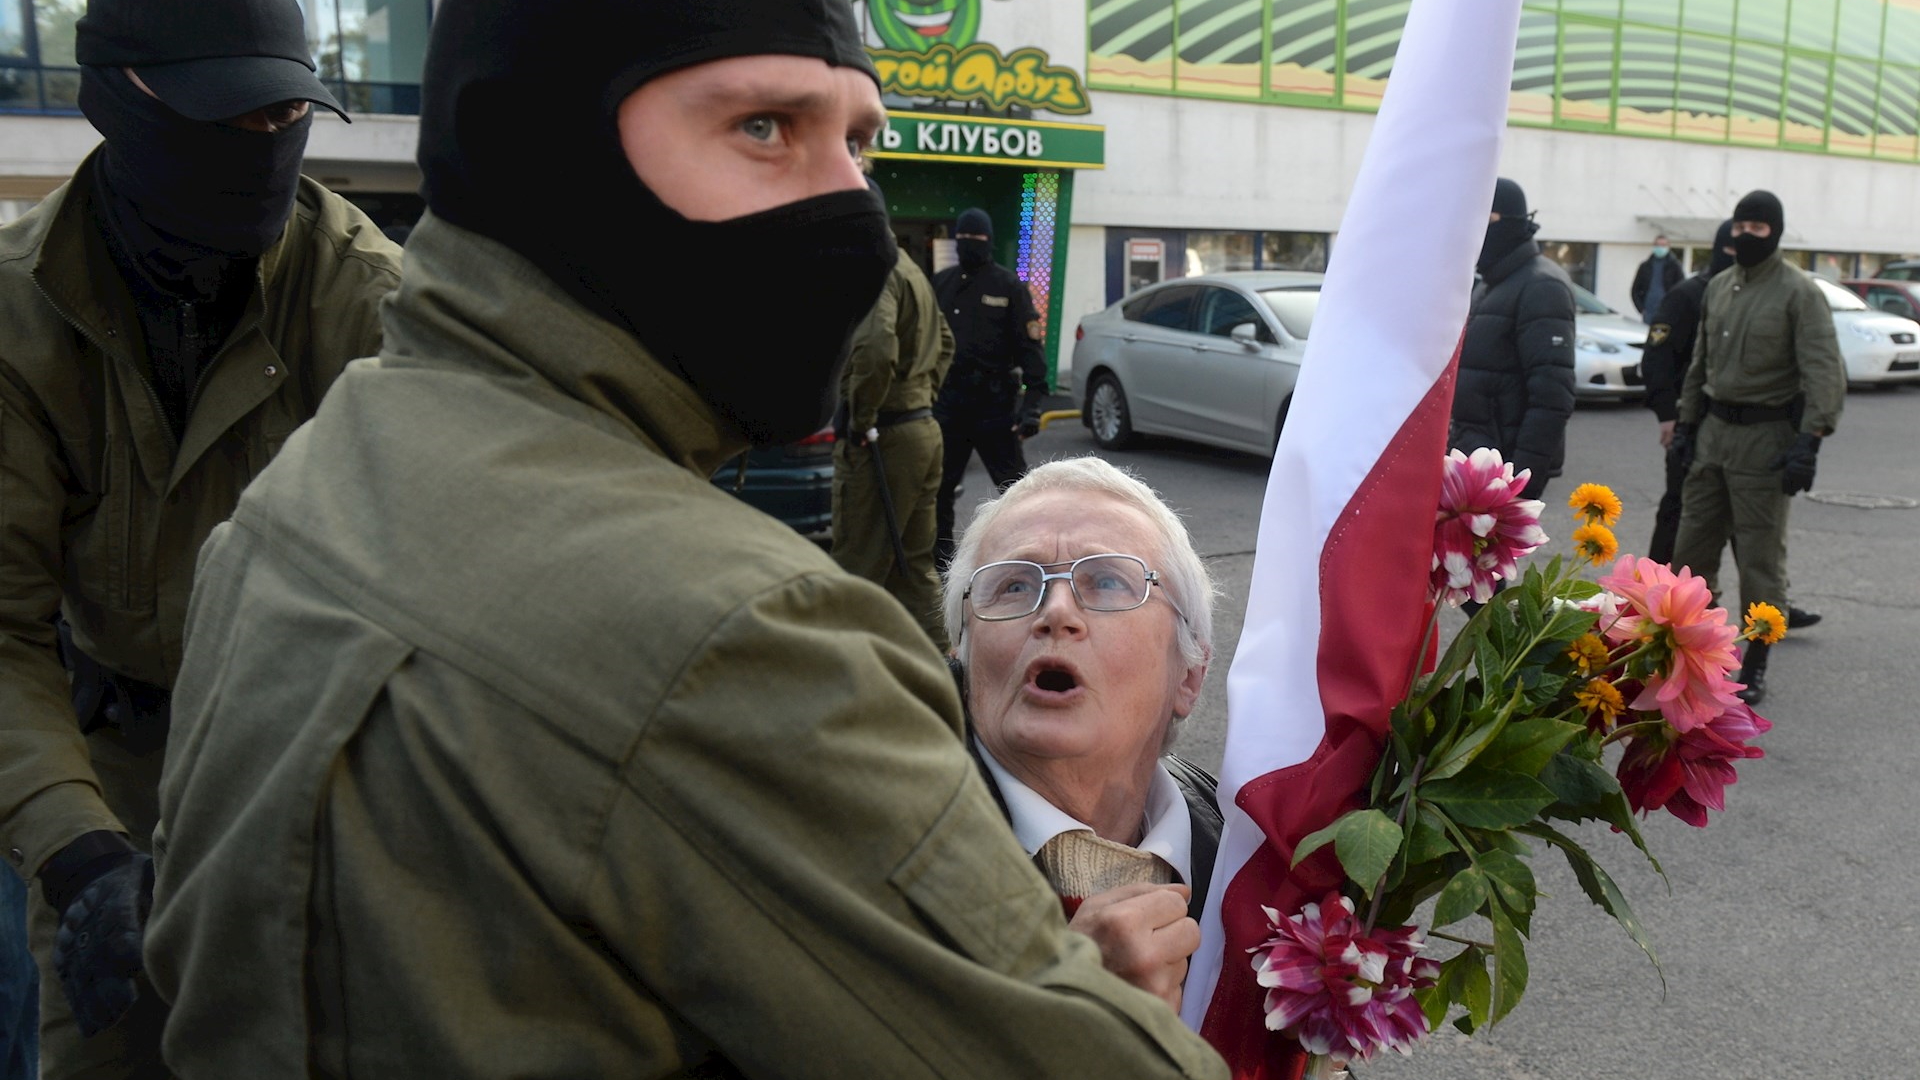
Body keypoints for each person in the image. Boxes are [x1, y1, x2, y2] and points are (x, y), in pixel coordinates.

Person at [143, 2, 1229, 1077]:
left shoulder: (303, 488)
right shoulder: (741, 635)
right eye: (763, 127)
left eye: (857, 143)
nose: (851, 207)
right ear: (535, 143)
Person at [0, 0, 402, 1074]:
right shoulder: (15, 316)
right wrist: (78, 855)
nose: (261, 143)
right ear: (111, 98)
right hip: (104, 774)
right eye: (225, 116)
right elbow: (2, 629)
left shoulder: (373, 306)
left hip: (318, 772)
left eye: (285, 115)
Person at [942, 457, 1221, 1014]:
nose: (1055, 612)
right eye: (1014, 585)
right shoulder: (876, 854)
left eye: (1109, 581)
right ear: (962, 657)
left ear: (1188, 676)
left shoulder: (1246, 855)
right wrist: (1058, 1022)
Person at [1671, 190, 1846, 705]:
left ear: (1776, 232)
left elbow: (1823, 370)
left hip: (1765, 441)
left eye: (1758, 228)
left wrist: (1810, 442)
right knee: (1690, 552)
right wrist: (1685, 425)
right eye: (1741, 226)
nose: (1746, 235)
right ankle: (1694, 652)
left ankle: (1757, 660)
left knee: (1760, 560)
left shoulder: (1798, 293)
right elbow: (1700, 363)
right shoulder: (1720, 285)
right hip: (1713, 436)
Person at [832, 220, 956, 650]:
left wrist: (861, 417)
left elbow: (876, 348)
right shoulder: (909, 268)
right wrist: (922, 395)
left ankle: (847, 673)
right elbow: (946, 340)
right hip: (920, 429)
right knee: (914, 567)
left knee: (858, 566)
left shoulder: (876, 270)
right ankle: (947, 670)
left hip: (884, 436)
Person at [932, 207, 1051, 566]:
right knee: (937, 492)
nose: (970, 244)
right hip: (949, 404)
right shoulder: (941, 283)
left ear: (990, 241)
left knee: (1016, 493)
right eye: (964, 238)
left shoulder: (1008, 286)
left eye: (977, 238)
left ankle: (1032, 557)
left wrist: (1032, 406)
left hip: (994, 407)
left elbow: (1031, 350)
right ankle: (942, 565)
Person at [1450, 177, 1576, 502]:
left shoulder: (1541, 287)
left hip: (1504, 473)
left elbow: (1552, 397)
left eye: (1485, 220)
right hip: (1475, 464)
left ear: (1510, 222)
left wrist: (1521, 484)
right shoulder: (1489, 285)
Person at [1642, 220, 1735, 563]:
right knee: (1678, 507)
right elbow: (1657, 358)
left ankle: (1756, 594)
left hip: (1740, 428)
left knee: (1744, 518)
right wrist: (1667, 414)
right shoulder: (1688, 295)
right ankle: (1656, 583)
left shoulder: (1752, 296)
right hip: (1691, 422)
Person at [1632, 233, 1685, 325]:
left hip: (1667, 312)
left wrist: (1674, 308)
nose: (1660, 248)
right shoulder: (1645, 266)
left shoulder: (1675, 266)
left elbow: (1682, 289)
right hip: (1648, 313)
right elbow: (1635, 290)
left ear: (1668, 247)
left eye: (1663, 245)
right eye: (1658, 245)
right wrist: (1641, 308)